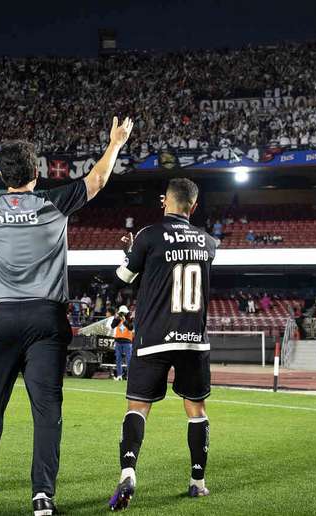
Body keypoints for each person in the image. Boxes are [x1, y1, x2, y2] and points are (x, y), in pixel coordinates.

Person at [0, 111, 133, 515]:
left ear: (2, 176)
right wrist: (114, 144)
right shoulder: (52, 204)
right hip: (47, 320)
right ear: (35, 175)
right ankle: (42, 495)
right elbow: (96, 180)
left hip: (2, 318)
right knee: (47, 411)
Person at [110, 178, 217, 510]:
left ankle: (128, 472)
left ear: (164, 202)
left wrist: (131, 253)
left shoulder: (148, 235)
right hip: (193, 340)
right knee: (196, 410)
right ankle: (197, 482)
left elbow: (123, 278)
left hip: (154, 337)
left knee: (138, 407)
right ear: (194, 206)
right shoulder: (210, 242)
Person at [110, 305, 134, 381]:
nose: (122, 314)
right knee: (118, 359)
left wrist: (124, 320)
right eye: (121, 313)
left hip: (127, 341)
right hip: (118, 341)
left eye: (123, 313)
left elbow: (131, 327)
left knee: (129, 359)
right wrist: (115, 318)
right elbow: (112, 326)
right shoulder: (118, 319)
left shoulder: (130, 319)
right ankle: (119, 375)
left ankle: (129, 376)